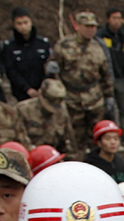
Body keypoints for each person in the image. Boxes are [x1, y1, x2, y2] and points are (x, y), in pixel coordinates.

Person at [48, 11, 114, 152]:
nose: (90, 30)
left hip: (94, 98)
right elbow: (52, 68)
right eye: (87, 26)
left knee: (96, 135)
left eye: (93, 27)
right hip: (72, 97)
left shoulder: (98, 46)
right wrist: (50, 67)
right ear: (77, 26)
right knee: (75, 136)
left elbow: (105, 73)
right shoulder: (64, 45)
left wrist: (109, 95)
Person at [96, 8, 124, 140]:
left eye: (119, 18)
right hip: (106, 79)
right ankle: (110, 134)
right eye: (114, 18)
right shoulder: (101, 36)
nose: (117, 21)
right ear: (108, 19)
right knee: (108, 109)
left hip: (121, 78)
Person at [1, 7, 51, 102]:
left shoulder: (43, 44)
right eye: (19, 23)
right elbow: (11, 71)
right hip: (21, 93)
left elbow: (49, 66)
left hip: (43, 91)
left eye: (26, 22)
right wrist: (27, 89)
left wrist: (43, 87)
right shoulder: (9, 46)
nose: (23, 26)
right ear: (14, 25)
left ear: (31, 22)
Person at [15, 78, 76, 153]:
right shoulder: (23, 110)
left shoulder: (62, 111)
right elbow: (18, 140)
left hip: (55, 154)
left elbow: (69, 138)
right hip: (32, 154)